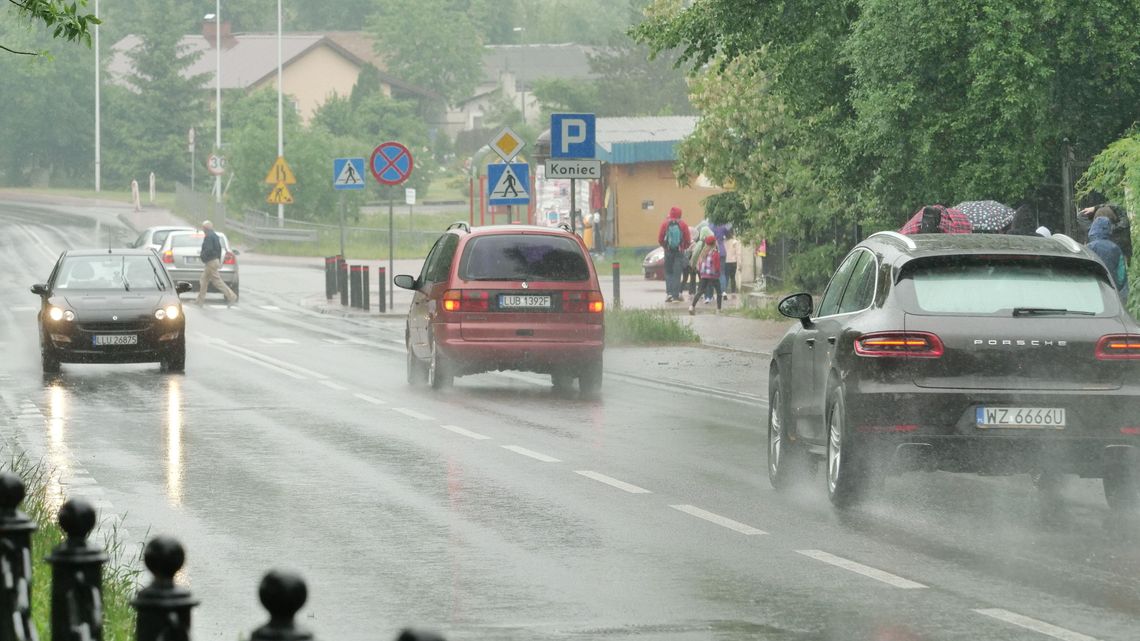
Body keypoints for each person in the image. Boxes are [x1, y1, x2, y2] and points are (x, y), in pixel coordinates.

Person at [1086, 216, 1129, 303]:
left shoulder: (1089, 247)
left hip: (1094, 291)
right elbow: (1121, 275)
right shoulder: (1116, 248)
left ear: (1093, 229)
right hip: (1113, 292)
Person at [196, 220, 238, 307]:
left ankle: (232, 296)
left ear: (205, 228)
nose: (202, 229)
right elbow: (219, 249)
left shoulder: (209, 237)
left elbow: (208, 249)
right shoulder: (215, 236)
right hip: (213, 261)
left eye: (203, 228)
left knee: (217, 281)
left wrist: (203, 256)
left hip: (211, 261)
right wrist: (218, 260)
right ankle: (200, 300)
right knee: (203, 280)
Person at [657, 206, 692, 303]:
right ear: (680, 214)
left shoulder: (665, 224)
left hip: (668, 252)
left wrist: (665, 247)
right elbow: (688, 240)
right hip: (679, 252)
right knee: (677, 273)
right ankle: (675, 296)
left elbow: (660, 239)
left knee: (669, 273)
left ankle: (669, 294)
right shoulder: (683, 224)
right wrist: (683, 247)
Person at [689, 235, 722, 315]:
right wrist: (718, 272)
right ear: (714, 243)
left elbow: (700, 264)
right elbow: (717, 266)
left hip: (704, 275)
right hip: (713, 276)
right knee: (719, 292)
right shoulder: (715, 253)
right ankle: (718, 310)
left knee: (700, 291)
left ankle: (692, 306)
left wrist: (702, 273)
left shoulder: (703, 252)